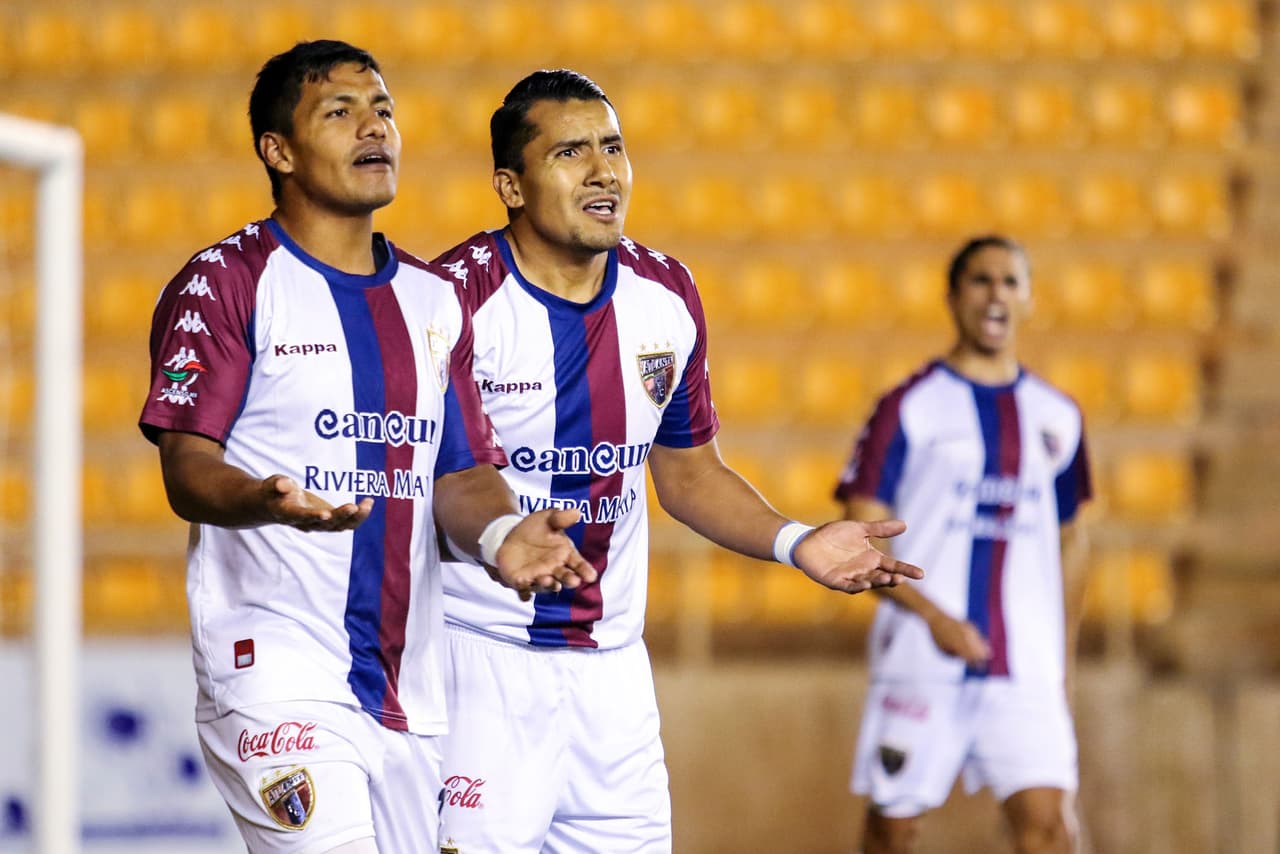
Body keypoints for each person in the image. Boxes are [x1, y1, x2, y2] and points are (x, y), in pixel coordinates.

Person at [426, 69, 923, 854]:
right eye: (570, 153)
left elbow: (688, 472)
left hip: (614, 678)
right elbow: (438, 480)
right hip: (477, 661)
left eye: (614, 148)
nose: (603, 172)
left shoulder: (666, 292)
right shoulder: (447, 302)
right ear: (509, 186)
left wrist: (798, 543)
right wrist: (501, 537)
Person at [138, 42, 595, 854]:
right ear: (277, 151)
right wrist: (263, 497)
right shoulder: (228, 282)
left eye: (382, 108)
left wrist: (500, 535)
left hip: (407, 688)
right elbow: (187, 467)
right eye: (339, 112)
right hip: (273, 665)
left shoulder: (432, 300)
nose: (373, 126)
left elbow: (457, 470)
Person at [833, 235, 1093, 854]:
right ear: (952, 297)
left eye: (1010, 281)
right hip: (924, 659)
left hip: (1025, 666)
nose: (996, 293)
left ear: (1029, 299)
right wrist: (933, 618)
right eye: (981, 280)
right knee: (894, 831)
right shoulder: (909, 407)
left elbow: (1072, 539)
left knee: (1051, 829)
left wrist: (1061, 657)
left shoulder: (1058, 416)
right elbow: (858, 530)